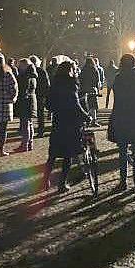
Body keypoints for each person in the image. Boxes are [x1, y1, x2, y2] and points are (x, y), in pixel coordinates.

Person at [44, 61, 89, 192]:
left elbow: (49, 105)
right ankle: (62, 183)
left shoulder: (55, 83)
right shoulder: (71, 84)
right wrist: (86, 116)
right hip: (71, 123)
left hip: (58, 122)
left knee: (52, 155)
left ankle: (45, 180)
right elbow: (75, 105)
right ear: (70, 71)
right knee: (68, 155)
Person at [109, 54, 135, 192]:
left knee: (122, 151)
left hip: (122, 117)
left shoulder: (119, 78)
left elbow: (117, 97)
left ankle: (123, 180)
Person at [14, 58, 38, 152]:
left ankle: (25, 145)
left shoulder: (26, 76)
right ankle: (29, 144)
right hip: (31, 100)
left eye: (20, 65)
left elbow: (23, 89)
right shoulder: (33, 75)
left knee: (25, 124)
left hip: (25, 101)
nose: (19, 67)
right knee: (29, 123)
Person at [30, 55, 50, 138]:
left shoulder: (29, 71)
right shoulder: (41, 71)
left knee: (30, 114)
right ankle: (40, 130)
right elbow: (47, 83)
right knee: (40, 113)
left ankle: (29, 130)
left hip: (32, 94)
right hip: (40, 94)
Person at [79, 57, 102, 127]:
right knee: (93, 106)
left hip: (84, 89)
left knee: (85, 106)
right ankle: (93, 120)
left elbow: (80, 79)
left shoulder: (83, 70)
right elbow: (97, 80)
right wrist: (97, 89)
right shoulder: (94, 69)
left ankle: (86, 120)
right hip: (92, 89)